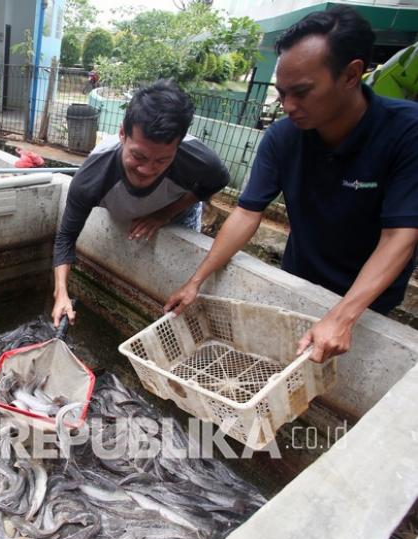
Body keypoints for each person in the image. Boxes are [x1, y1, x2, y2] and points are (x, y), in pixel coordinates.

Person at [165, 6, 418, 363]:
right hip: (299, 279)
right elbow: (247, 213)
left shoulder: (406, 131)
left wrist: (344, 316)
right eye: (281, 93)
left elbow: (400, 236)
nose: (288, 106)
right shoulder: (283, 137)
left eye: (301, 92)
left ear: (351, 74)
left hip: (368, 301)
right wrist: (196, 280)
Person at [52, 80, 230, 326]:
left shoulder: (199, 160)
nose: (147, 169)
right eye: (138, 156)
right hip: (123, 209)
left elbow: (218, 181)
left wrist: (164, 214)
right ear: (122, 133)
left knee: (177, 283)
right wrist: (61, 292)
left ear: (178, 146)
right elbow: (66, 237)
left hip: (177, 211)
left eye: (162, 160)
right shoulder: (92, 176)